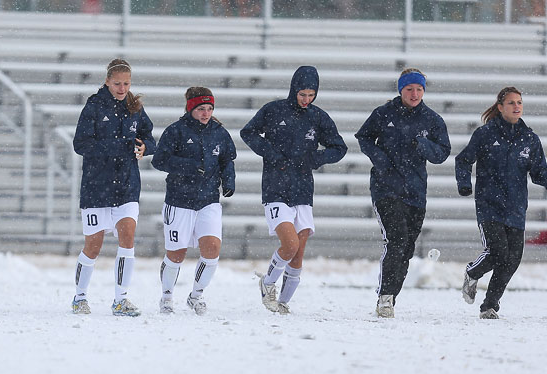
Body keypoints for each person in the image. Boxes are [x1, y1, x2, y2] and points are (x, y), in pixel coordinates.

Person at [241, 66, 347, 314]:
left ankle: (283, 303)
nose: (306, 99)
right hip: (275, 188)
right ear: (293, 90)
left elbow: (339, 148)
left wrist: (316, 159)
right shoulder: (273, 110)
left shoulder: (318, 117)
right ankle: (267, 284)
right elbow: (248, 132)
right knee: (289, 245)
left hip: (303, 190)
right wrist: (272, 155)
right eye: (302, 94)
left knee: (298, 254)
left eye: (311, 95)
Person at [455, 86, 547, 319]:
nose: (517, 106)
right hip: (489, 204)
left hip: (516, 206)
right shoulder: (485, 134)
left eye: (519, 102)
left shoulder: (530, 138)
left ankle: (489, 306)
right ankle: (473, 272)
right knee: (498, 252)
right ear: (500, 107)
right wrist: (464, 184)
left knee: (513, 259)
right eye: (512, 103)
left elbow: (539, 170)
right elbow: (463, 160)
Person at [355, 68, 451, 318]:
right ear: (401, 90)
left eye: (419, 89)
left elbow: (442, 153)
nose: (414, 94)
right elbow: (364, 137)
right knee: (396, 240)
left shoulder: (432, 119)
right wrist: (380, 159)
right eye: (409, 89)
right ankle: (385, 297)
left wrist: (423, 144)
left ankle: (391, 298)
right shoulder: (383, 113)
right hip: (386, 188)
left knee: (406, 248)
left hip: (415, 191)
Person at [71, 58, 156, 316]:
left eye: (126, 84)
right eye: (117, 83)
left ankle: (121, 299)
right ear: (107, 81)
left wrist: (145, 147)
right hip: (97, 186)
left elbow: (149, 137)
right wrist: (117, 146)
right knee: (93, 245)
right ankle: (79, 297)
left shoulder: (135, 107)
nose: (122, 88)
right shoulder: (94, 106)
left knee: (127, 238)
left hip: (127, 185)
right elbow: (80, 144)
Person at [151, 87, 236, 315]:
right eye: (201, 109)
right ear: (190, 108)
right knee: (176, 254)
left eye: (209, 108)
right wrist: (188, 166)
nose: (206, 113)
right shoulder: (176, 131)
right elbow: (159, 161)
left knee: (212, 249)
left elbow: (227, 160)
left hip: (208, 200)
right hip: (179, 200)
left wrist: (229, 181)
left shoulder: (219, 132)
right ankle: (166, 297)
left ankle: (196, 295)